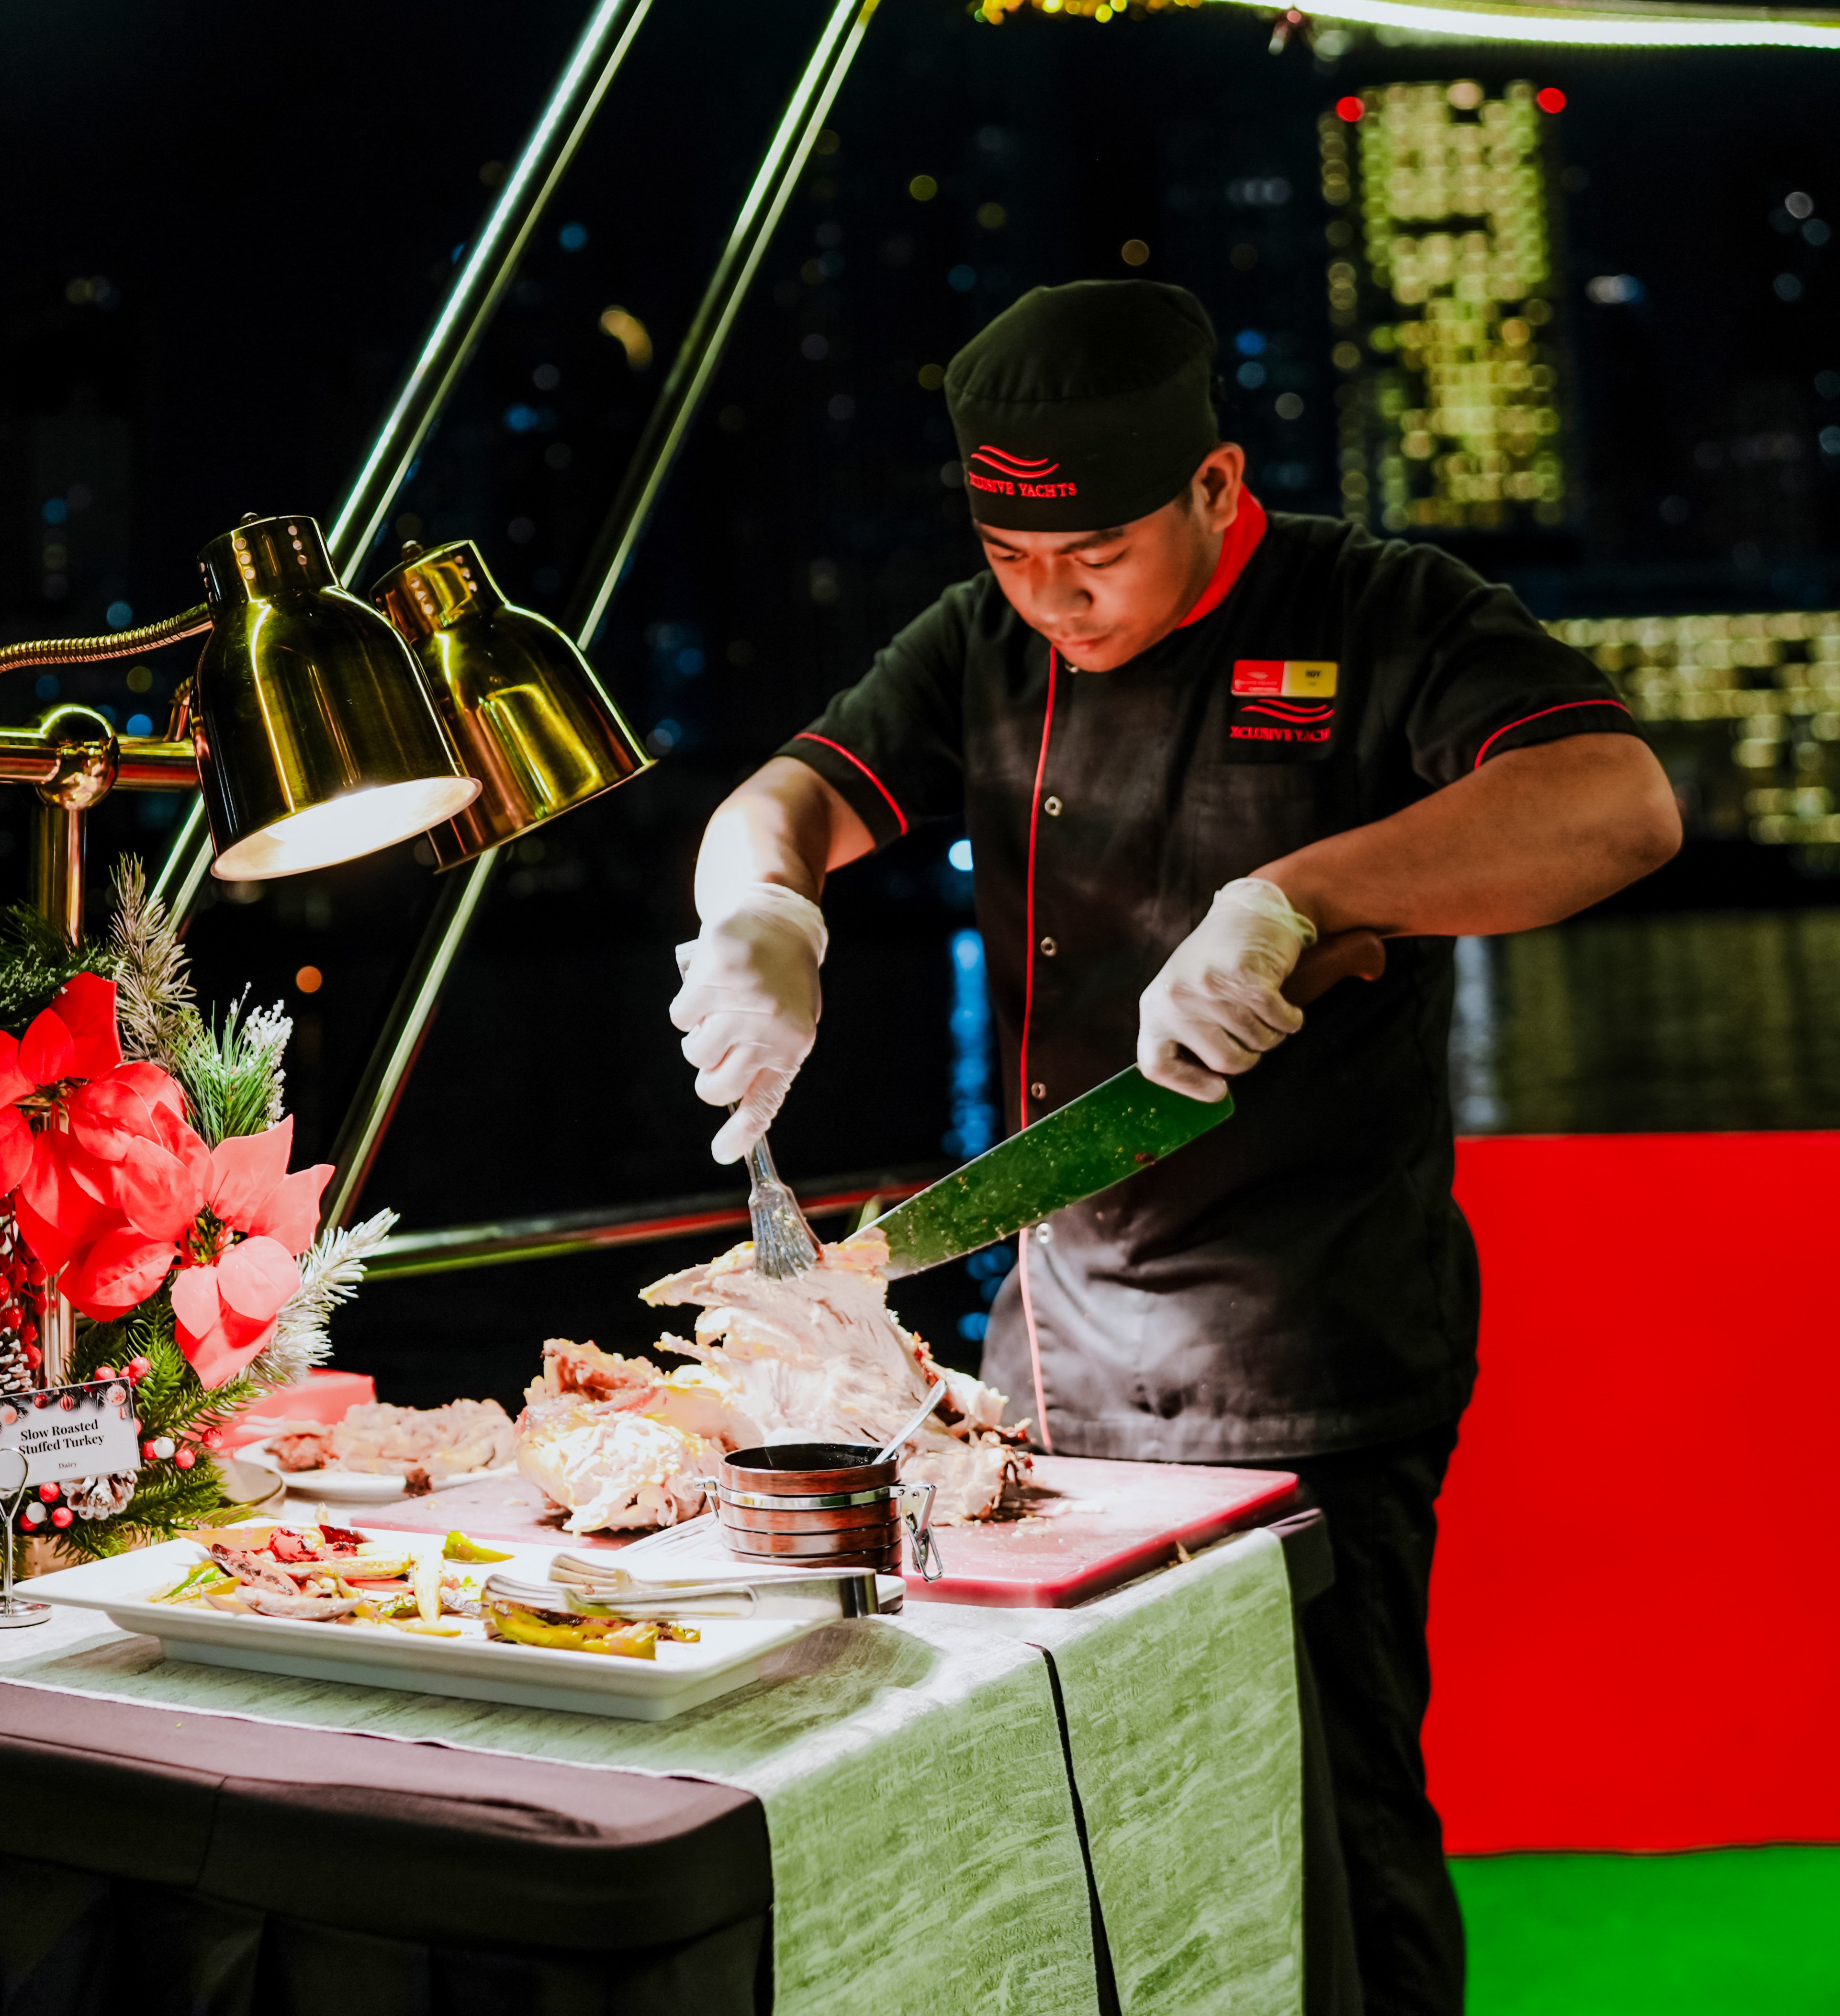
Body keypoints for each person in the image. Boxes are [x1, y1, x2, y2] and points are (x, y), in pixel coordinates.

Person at [667, 280, 1679, 2016]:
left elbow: (1614, 804)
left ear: (1214, 483)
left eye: (1093, 557)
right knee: (1071, 1822)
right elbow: (785, 794)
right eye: (1008, 551)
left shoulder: (1380, 607)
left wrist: (1298, 894)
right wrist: (764, 905)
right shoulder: (983, 643)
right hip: (1043, 1372)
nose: (1048, 600)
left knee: (1331, 1821)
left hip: (1315, 1362)